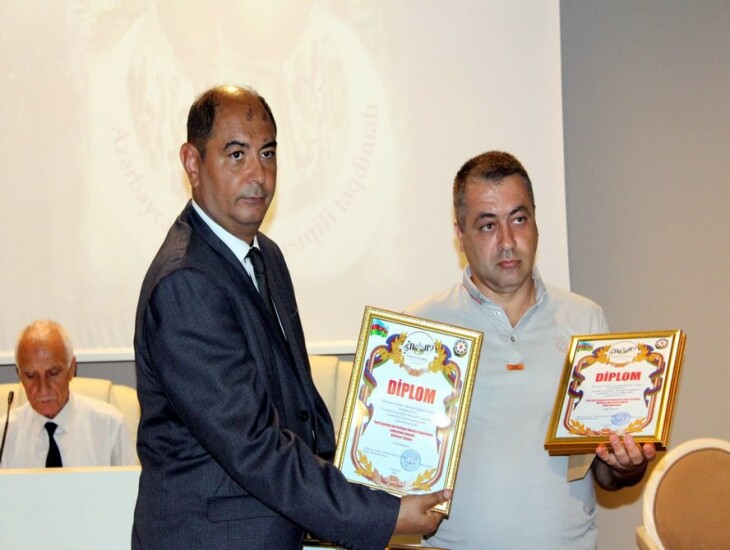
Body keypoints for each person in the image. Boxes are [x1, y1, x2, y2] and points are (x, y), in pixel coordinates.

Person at [132, 85, 449, 550]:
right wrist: (383, 513)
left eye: (268, 153)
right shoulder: (186, 283)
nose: (258, 175)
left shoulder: (265, 255)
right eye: (236, 155)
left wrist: (373, 477)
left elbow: (300, 410)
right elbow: (254, 445)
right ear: (192, 163)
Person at [405, 151, 656, 549]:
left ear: (536, 221)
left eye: (518, 219)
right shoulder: (422, 327)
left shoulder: (584, 319)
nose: (507, 242)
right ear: (460, 235)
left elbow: (604, 473)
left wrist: (626, 464)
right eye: (488, 225)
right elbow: (397, 471)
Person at [0, 320, 137, 468]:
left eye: (53, 373)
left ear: (71, 369)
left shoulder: (110, 426)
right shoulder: (4, 435)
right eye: (31, 376)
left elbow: (131, 483)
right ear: (19, 375)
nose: (43, 388)